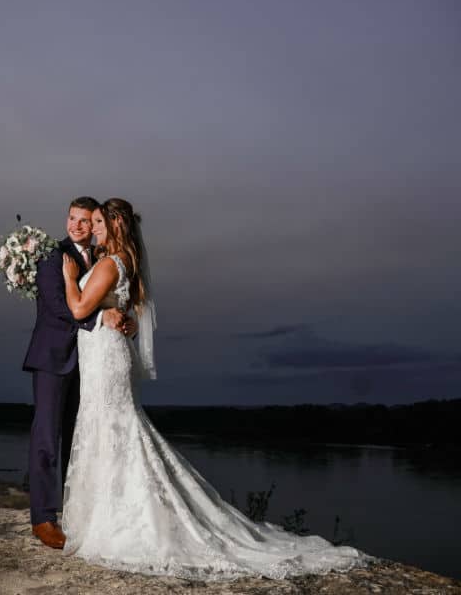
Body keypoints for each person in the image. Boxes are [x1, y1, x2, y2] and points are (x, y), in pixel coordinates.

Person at [59, 198, 372, 580]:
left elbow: (77, 310)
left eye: (96, 222)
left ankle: (121, 523)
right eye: (86, 222)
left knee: (112, 429)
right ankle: (108, 514)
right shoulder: (123, 262)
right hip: (104, 355)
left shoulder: (109, 263)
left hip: (106, 359)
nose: (91, 228)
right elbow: (125, 314)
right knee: (112, 431)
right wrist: (117, 315)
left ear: (114, 224)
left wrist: (67, 277)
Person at [22, 196, 132, 549]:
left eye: (85, 220)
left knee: (78, 438)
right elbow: (58, 307)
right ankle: (42, 517)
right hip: (53, 359)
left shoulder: (102, 257)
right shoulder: (53, 256)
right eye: (72, 218)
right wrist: (102, 316)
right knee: (46, 439)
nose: (77, 226)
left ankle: (75, 511)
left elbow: (108, 295)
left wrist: (121, 316)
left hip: (89, 360)